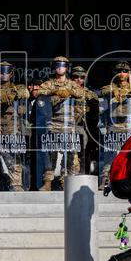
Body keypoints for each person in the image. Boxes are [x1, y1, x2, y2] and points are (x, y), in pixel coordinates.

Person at [34, 56, 88, 190]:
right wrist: (55, 92)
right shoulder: (49, 83)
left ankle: (67, 183)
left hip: (69, 124)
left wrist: (69, 91)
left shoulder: (72, 84)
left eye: (63, 65)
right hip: (52, 123)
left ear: (67, 67)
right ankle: (48, 182)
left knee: (70, 155)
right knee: (51, 154)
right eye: (58, 65)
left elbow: (81, 93)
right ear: (54, 67)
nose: (60, 67)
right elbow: (38, 93)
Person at [0, 61, 29, 192]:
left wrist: (7, 94)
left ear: (11, 73)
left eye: (6, 71)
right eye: (0, 72)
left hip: (12, 125)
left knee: (14, 155)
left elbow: (25, 93)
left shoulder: (18, 87)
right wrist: (3, 95)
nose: (3, 74)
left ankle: (16, 183)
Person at [100, 61, 131, 187]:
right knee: (110, 154)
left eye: (125, 71)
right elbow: (104, 91)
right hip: (113, 125)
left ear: (129, 74)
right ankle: (105, 179)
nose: (122, 74)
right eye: (120, 71)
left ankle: (130, 178)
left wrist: (130, 91)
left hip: (129, 126)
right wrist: (118, 93)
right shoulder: (110, 87)